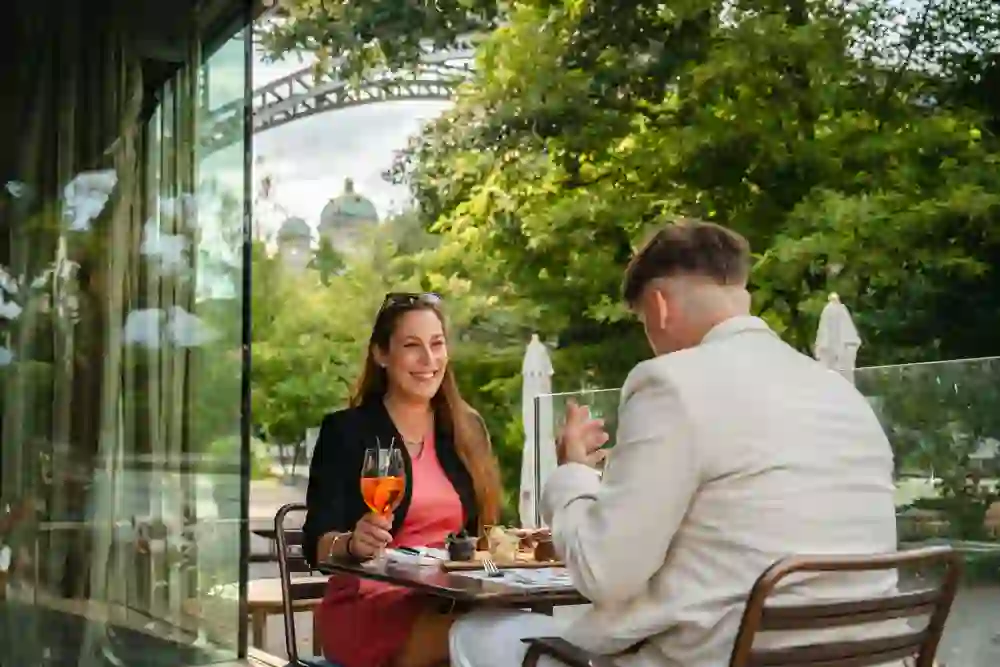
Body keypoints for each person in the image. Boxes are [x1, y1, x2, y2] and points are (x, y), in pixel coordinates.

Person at [449, 219, 898, 667]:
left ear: (659, 305)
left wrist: (571, 476)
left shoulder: (671, 385)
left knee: (479, 634)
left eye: (645, 322)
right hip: (864, 659)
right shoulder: (842, 394)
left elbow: (605, 573)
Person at [303, 292, 502, 667]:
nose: (429, 360)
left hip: (449, 599)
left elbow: (484, 536)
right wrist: (350, 543)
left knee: (521, 629)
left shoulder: (466, 428)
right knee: (483, 638)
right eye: (412, 346)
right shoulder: (347, 431)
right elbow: (316, 545)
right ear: (381, 354)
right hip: (370, 607)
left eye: (437, 344)